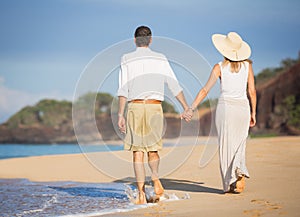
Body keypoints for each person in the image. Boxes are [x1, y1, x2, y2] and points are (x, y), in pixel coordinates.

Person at [117, 26, 192, 204]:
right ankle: (156, 178)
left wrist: (121, 114)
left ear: (134, 40)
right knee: (153, 149)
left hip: (135, 107)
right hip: (154, 107)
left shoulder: (126, 58)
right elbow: (174, 85)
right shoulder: (160, 58)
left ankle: (142, 194)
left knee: (137, 153)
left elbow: (123, 89)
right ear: (151, 40)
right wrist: (186, 107)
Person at [187, 32, 257, 193]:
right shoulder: (248, 65)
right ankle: (239, 169)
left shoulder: (219, 67)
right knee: (240, 142)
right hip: (243, 108)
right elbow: (252, 91)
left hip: (226, 108)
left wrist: (192, 107)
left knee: (226, 145)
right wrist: (253, 112)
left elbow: (205, 90)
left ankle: (229, 183)